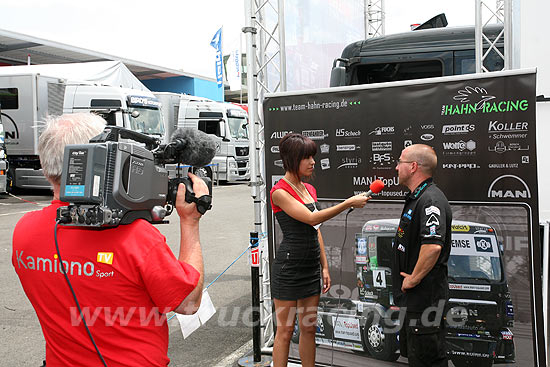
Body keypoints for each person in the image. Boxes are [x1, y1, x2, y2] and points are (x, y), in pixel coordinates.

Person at [12, 113, 208, 366]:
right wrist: (190, 222)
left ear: (44, 163)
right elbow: (188, 303)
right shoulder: (135, 237)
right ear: (104, 158)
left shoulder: (23, 232)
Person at [270, 133, 370, 367]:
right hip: (288, 267)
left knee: (309, 328)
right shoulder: (279, 192)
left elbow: (316, 229)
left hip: (311, 267)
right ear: (292, 159)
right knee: (285, 332)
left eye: (313, 157)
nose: (313, 162)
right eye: (307, 157)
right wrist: (347, 203)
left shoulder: (310, 189)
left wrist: (324, 266)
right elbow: (312, 217)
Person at [391, 144, 452, 367]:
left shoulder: (430, 201)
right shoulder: (418, 197)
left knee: (428, 360)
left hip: (425, 299)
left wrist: (414, 278)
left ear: (413, 167)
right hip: (414, 301)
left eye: (400, 162)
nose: (396, 167)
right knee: (418, 358)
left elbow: (433, 246)